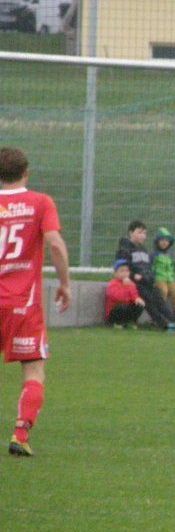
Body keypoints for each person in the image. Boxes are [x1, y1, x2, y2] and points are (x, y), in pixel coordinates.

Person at [0, 147, 72, 457]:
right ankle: (20, 435)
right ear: (26, 172)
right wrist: (65, 284)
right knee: (33, 370)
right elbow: (54, 243)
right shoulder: (40, 202)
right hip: (22, 304)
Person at [115, 221, 175, 332]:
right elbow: (121, 268)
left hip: (145, 281)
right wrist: (132, 275)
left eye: (144, 233)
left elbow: (148, 268)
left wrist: (150, 277)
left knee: (158, 296)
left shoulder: (144, 250)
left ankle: (172, 320)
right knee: (148, 298)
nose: (143, 236)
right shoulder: (124, 250)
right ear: (131, 233)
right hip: (133, 282)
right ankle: (164, 325)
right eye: (140, 232)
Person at [152, 227, 175, 319]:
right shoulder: (154, 255)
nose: (164, 242)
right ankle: (159, 316)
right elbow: (151, 268)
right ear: (157, 241)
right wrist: (152, 280)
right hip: (159, 279)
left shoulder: (171, 255)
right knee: (163, 292)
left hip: (170, 280)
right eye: (162, 240)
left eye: (167, 240)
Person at [105, 259, 146, 328]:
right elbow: (118, 298)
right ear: (115, 273)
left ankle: (130, 321)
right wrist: (125, 286)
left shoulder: (131, 283)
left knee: (139, 304)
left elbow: (134, 294)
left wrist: (137, 299)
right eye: (122, 271)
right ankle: (117, 322)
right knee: (122, 307)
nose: (125, 273)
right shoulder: (113, 284)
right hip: (115, 311)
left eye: (127, 271)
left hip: (127, 308)